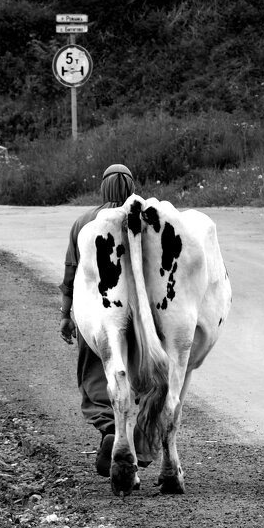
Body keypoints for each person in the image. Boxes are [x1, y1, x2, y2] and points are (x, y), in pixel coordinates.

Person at [59, 164, 149, 478]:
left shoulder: (85, 222)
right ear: (132, 187)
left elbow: (71, 273)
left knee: (95, 372)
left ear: (102, 189)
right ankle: (142, 438)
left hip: (98, 313)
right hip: (142, 311)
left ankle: (110, 428)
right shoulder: (146, 218)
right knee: (145, 370)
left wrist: (66, 314)